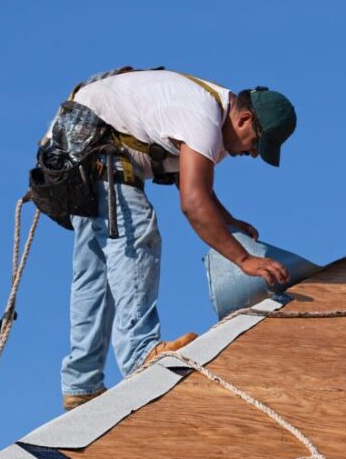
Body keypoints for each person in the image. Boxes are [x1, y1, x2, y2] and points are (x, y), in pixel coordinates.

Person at [49, 68, 296, 410]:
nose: (252, 153)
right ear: (244, 119)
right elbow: (193, 203)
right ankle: (140, 353)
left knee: (95, 272)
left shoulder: (210, 114)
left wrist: (228, 221)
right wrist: (244, 260)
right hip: (98, 147)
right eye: (256, 143)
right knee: (136, 235)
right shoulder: (204, 117)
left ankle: (82, 383)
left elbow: (191, 185)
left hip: (78, 145)